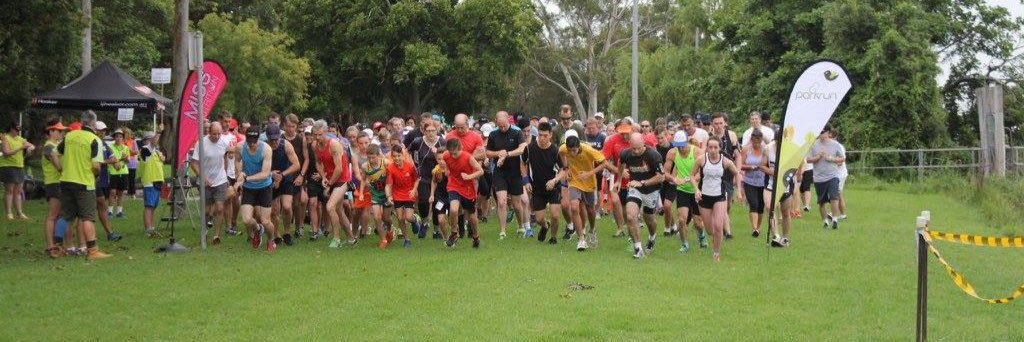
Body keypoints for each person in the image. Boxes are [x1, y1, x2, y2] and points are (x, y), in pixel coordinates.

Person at [56, 111, 112, 260]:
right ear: (93, 124)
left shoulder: (69, 136)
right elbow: (96, 166)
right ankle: (92, 250)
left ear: (81, 122)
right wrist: (95, 174)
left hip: (66, 180)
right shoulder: (94, 139)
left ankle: (57, 247)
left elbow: (55, 153)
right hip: (84, 183)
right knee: (87, 217)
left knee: (64, 216)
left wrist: (60, 168)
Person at [692, 137, 743, 262]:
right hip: (704, 197)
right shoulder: (701, 160)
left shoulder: (725, 161)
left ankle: (716, 253)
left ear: (720, 148)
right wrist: (696, 190)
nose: (713, 150)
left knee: (719, 226)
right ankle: (715, 238)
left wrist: (739, 192)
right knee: (710, 230)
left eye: (716, 147)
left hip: (720, 196)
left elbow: (737, 173)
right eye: (710, 147)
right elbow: (692, 175)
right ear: (707, 148)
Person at [313, 120, 360, 247]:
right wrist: (323, 177)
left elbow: (339, 168)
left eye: (320, 134)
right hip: (331, 178)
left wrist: (328, 185)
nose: (317, 137)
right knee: (339, 210)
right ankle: (351, 239)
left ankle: (337, 239)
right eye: (315, 134)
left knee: (329, 207)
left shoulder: (334, 145)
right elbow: (318, 162)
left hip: (343, 179)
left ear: (326, 132)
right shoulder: (315, 145)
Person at [617, 133, 665, 258]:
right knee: (631, 216)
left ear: (644, 143)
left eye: (639, 148)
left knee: (649, 219)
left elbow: (661, 177)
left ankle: (652, 237)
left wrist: (643, 183)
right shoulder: (625, 153)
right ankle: (638, 249)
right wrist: (618, 179)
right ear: (629, 145)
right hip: (634, 189)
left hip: (651, 190)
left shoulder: (654, 155)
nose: (636, 151)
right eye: (633, 148)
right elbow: (620, 163)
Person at [559, 129, 608, 251]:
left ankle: (592, 230)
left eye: (574, 150)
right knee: (574, 207)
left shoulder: (588, 150)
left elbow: (604, 163)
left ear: (578, 146)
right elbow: (561, 153)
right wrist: (566, 168)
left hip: (589, 183)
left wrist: (589, 173)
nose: (572, 153)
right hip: (574, 181)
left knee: (590, 210)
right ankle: (581, 239)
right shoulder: (564, 148)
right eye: (570, 151)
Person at [485, 111, 530, 239]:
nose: (503, 128)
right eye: (500, 126)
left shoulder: (517, 133)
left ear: (508, 121)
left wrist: (507, 154)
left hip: (515, 172)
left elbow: (522, 148)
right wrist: (498, 153)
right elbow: (488, 152)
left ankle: (521, 226)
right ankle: (502, 231)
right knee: (501, 202)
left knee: (516, 204)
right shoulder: (493, 135)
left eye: (504, 125)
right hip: (499, 172)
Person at [234, 127, 278, 252]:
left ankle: (271, 239)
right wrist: (239, 172)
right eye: (249, 141)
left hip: (264, 187)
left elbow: (265, 173)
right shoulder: (240, 147)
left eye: (254, 141)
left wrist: (246, 178)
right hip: (249, 188)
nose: (252, 144)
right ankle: (258, 230)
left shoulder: (266, 149)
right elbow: (237, 161)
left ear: (258, 139)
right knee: (247, 220)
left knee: (266, 220)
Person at [662, 130, 706, 252]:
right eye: (677, 146)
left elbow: (701, 174)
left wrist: (688, 180)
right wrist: (674, 179)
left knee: (697, 223)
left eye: (682, 145)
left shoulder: (697, 152)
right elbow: (665, 173)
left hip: (696, 190)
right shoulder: (672, 153)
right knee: (682, 219)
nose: (680, 149)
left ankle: (702, 236)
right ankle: (685, 244)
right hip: (682, 190)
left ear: (687, 142)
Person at [524, 122, 565, 245]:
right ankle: (545, 226)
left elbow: (563, 170)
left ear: (550, 135)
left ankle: (553, 237)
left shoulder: (556, 151)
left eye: (545, 135)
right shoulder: (529, 149)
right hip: (537, 187)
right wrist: (526, 180)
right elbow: (523, 164)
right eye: (540, 135)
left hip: (554, 187)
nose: (542, 138)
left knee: (555, 216)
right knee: (539, 219)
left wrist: (554, 180)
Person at [190, 122, 231, 245]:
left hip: (220, 180)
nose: (217, 136)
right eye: (214, 134)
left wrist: (225, 173)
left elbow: (225, 157)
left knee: (219, 208)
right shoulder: (201, 143)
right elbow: (194, 163)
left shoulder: (224, 142)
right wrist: (203, 177)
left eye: (219, 134)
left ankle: (216, 235)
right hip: (205, 181)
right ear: (209, 132)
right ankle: (205, 232)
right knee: (206, 211)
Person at [439, 138, 485, 248]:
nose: (453, 155)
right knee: (454, 209)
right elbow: (447, 166)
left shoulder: (468, 157)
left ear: (460, 149)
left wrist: (469, 176)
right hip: (453, 185)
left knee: (472, 217)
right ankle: (454, 233)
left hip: (468, 188)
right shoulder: (446, 155)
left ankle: (475, 236)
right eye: (451, 153)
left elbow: (481, 171)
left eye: (455, 153)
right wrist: (446, 171)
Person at [262, 123, 300, 246]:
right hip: (270, 178)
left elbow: (296, 164)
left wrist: (282, 175)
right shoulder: (263, 147)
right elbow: (258, 167)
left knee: (287, 206)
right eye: (271, 139)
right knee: (274, 210)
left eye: (276, 138)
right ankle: (277, 234)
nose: (274, 142)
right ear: (267, 137)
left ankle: (287, 232)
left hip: (286, 176)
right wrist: (271, 174)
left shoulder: (286, 145)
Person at [410, 120, 445, 239]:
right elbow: (407, 151)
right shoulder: (418, 142)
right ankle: (424, 222)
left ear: (437, 130)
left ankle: (436, 231)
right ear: (424, 131)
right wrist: (413, 165)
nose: (430, 133)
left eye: (433, 130)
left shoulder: (442, 142)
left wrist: (437, 154)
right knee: (424, 203)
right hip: (423, 177)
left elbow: (446, 158)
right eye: (428, 131)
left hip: (438, 178)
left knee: (437, 205)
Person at [806, 125, 845, 229]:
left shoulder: (835, 144)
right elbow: (808, 160)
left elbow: (842, 159)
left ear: (828, 133)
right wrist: (817, 157)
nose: (821, 134)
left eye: (823, 132)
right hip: (819, 177)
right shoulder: (814, 144)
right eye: (819, 132)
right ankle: (825, 221)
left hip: (833, 175)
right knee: (821, 201)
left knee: (834, 197)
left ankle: (835, 219)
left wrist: (831, 158)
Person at [41, 119, 67, 257]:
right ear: (50, 131)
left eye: (62, 131)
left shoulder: (56, 145)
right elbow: (55, 162)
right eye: (59, 131)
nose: (62, 133)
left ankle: (56, 245)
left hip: (59, 182)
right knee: (53, 215)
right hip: (53, 182)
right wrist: (63, 170)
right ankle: (51, 246)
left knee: (59, 215)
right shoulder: (49, 146)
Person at [386, 144, 419, 248]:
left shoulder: (409, 166)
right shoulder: (390, 168)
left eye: (398, 156)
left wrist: (414, 189)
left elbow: (417, 179)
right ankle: (406, 239)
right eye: (394, 156)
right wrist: (389, 196)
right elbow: (388, 184)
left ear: (403, 155)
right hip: (397, 195)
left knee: (408, 217)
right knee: (400, 218)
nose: (396, 158)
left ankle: (414, 220)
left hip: (409, 194)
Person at [738, 129, 769, 237]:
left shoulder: (765, 150)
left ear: (761, 140)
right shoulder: (746, 149)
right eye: (754, 141)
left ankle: (758, 227)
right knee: (753, 204)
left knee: (761, 206)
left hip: (762, 181)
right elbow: (740, 164)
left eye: (759, 142)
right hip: (749, 181)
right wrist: (749, 167)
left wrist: (763, 167)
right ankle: (754, 228)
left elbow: (768, 164)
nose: (756, 144)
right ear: (751, 139)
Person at [283, 114, 310, 238]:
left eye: (293, 126)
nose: (290, 129)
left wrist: (302, 175)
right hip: (283, 174)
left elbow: (306, 159)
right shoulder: (279, 138)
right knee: (283, 205)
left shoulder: (301, 139)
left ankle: (299, 227)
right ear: (284, 125)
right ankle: (285, 229)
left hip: (297, 175)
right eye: (288, 126)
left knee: (297, 203)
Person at [1, 121, 33, 220]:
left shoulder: (20, 139)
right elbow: (6, 153)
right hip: (8, 166)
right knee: (9, 190)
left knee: (18, 190)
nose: (17, 132)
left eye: (19, 130)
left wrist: (29, 148)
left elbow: (32, 145)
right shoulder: (5, 138)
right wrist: (20, 148)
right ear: (11, 128)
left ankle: (19, 212)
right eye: (16, 129)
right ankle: (9, 213)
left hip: (19, 166)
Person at [361, 144, 393, 246]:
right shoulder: (365, 166)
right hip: (375, 194)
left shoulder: (386, 163)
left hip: (386, 193)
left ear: (378, 155)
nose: (371, 160)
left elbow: (392, 177)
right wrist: (361, 192)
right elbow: (363, 179)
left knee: (386, 218)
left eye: (373, 157)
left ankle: (390, 229)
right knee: (377, 217)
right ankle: (383, 240)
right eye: (369, 157)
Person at [139, 130, 164, 238]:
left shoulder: (156, 151)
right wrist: (159, 131)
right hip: (149, 181)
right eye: (150, 138)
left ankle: (151, 227)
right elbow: (153, 144)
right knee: (149, 206)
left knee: (153, 206)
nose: (155, 140)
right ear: (146, 141)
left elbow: (163, 160)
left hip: (157, 180)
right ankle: (148, 229)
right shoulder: (145, 150)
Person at [654, 128, 677, 237]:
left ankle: (667, 229)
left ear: (667, 135)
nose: (660, 140)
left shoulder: (673, 148)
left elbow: (677, 165)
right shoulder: (656, 148)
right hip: (661, 181)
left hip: (672, 180)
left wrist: (673, 178)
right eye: (658, 138)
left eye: (662, 137)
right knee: (665, 206)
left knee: (667, 205)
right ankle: (674, 226)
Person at [106, 129, 131, 218]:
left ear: (123, 138)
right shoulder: (110, 147)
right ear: (114, 138)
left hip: (124, 172)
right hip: (113, 173)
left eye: (120, 137)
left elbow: (128, 161)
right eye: (117, 136)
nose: (118, 138)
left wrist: (126, 158)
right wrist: (115, 161)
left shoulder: (126, 148)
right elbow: (109, 160)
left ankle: (119, 212)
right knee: (112, 192)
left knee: (121, 193)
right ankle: (109, 211)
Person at [832, 129, 848, 221]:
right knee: (838, 194)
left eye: (830, 137)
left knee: (837, 194)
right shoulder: (832, 146)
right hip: (836, 174)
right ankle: (842, 214)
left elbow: (840, 162)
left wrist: (829, 164)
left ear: (835, 137)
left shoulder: (839, 147)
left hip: (840, 174)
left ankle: (838, 213)